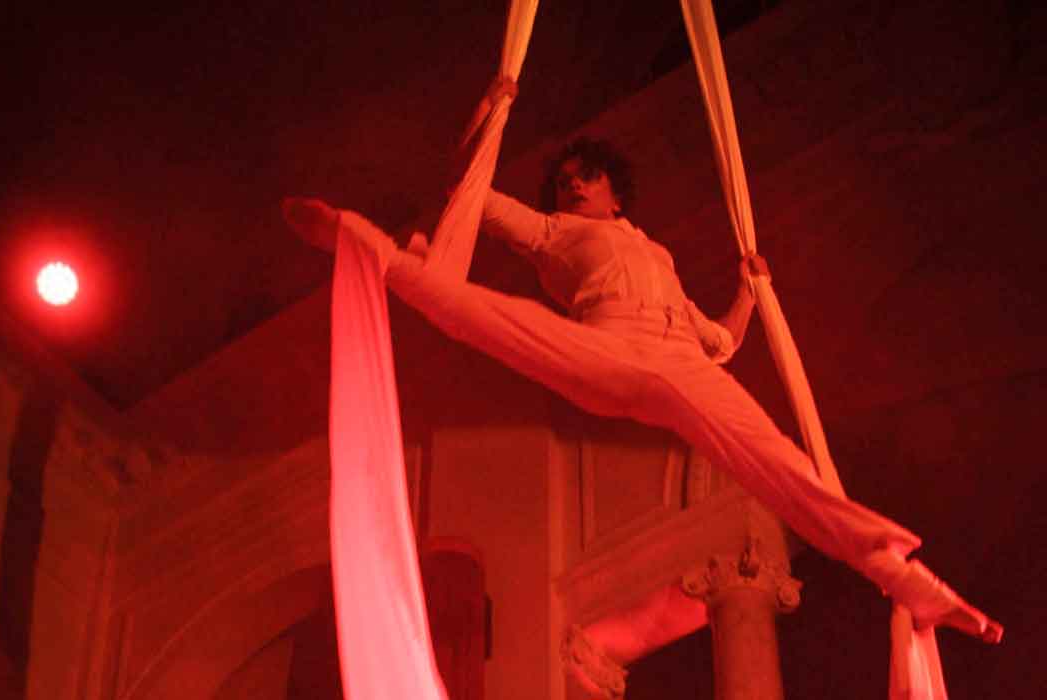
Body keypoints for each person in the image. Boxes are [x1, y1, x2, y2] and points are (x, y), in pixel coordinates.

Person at [280, 81, 1001, 644]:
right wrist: (490, 118)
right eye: (564, 180)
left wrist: (750, 293)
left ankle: (897, 574)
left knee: (781, 463)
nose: (572, 186)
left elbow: (720, 343)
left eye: (586, 176)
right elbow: (469, 192)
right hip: (609, 346)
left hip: (684, 359)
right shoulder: (552, 232)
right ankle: (372, 250)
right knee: (482, 315)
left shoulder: (656, 251)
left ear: (614, 187)